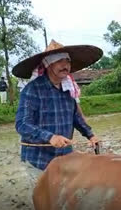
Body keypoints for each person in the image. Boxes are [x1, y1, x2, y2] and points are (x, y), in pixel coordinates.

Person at [12, 40, 103, 177]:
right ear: (48, 64)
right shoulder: (32, 90)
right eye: (59, 61)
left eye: (67, 61)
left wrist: (90, 135)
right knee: (44, 199)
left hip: (65, 157)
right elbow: (22, 124)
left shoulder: (68, 89)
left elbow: (75, 117)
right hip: (39, 161)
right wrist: (50, 137)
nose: (65, 65)